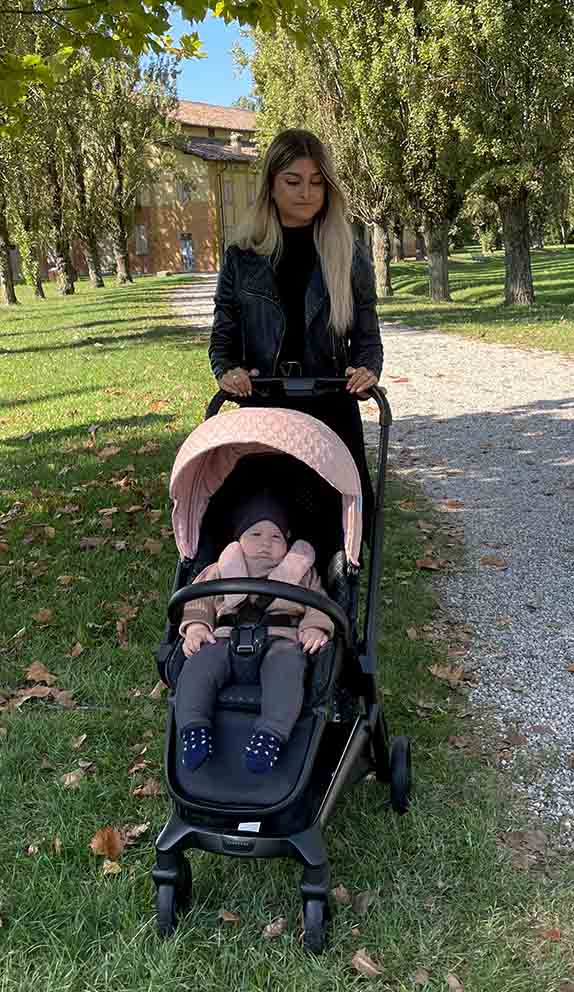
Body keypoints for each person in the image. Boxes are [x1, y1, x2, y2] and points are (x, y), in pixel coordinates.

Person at [209, 128, 383, 538]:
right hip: (264, 409)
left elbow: (367, 334)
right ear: (271, 184)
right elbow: (223, 335)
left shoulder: (348, 254)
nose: (306, 193)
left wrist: (367, 368)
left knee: (332, 532)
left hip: (331, 408)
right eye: (293, 181)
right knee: (263, 519)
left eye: (317, 183)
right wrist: (228, 370)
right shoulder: (241, 258)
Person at [175, 490, 334, 774]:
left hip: (281, 641)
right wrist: (197, 626)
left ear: (287, 541)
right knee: (198, 666)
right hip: (223, 640)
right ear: (239, 538)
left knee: (287, 668)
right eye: (255, 534)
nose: (265, 543)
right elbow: (198, 601)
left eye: (276, 537)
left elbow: (319, 605)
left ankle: (270, 736)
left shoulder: (302, 573)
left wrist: (314, 628)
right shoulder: (219, 569)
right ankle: (193, 729)